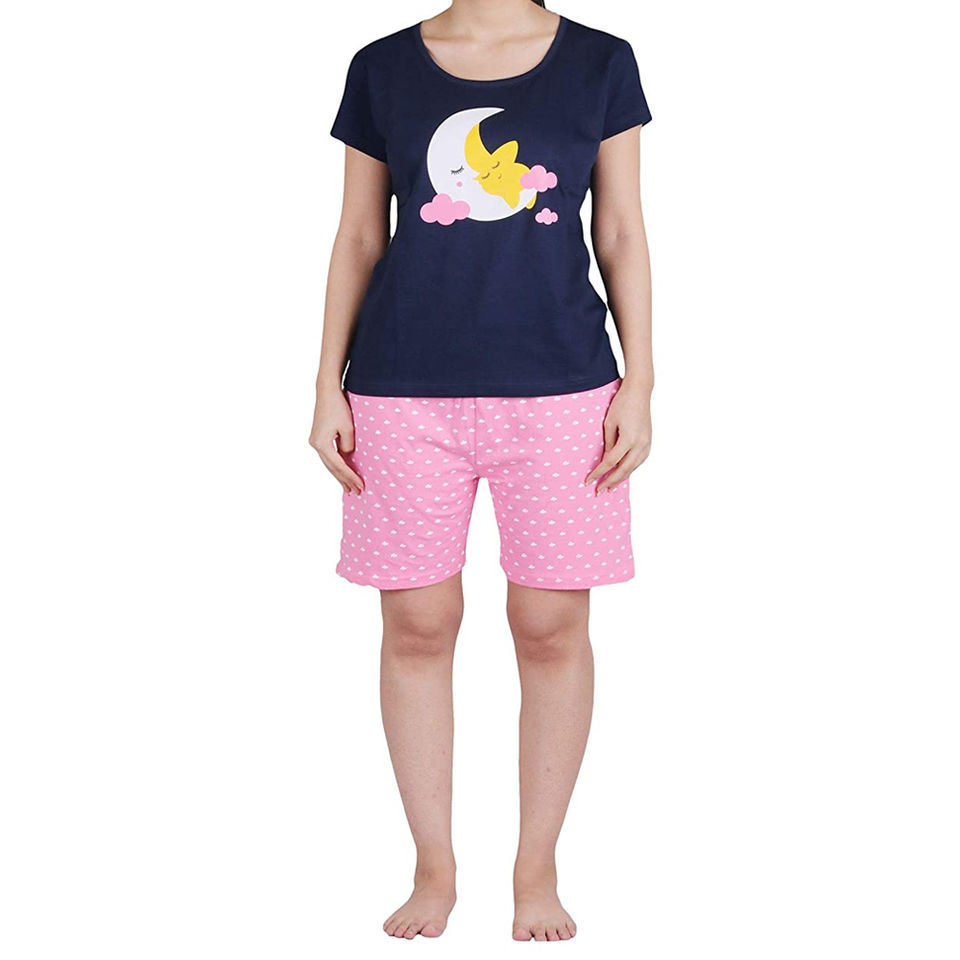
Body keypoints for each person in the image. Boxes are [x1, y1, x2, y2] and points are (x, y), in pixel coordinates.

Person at [310, 0, 652, 941]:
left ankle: (536, 868)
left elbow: (621, 231)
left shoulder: (601, 62)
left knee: (551, 628)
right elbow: (358, 234)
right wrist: (326, 382)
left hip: (565, 390)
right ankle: (434, 868)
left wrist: (641, 380)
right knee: (417, 626)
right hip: (399, 392)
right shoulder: (381, 66)